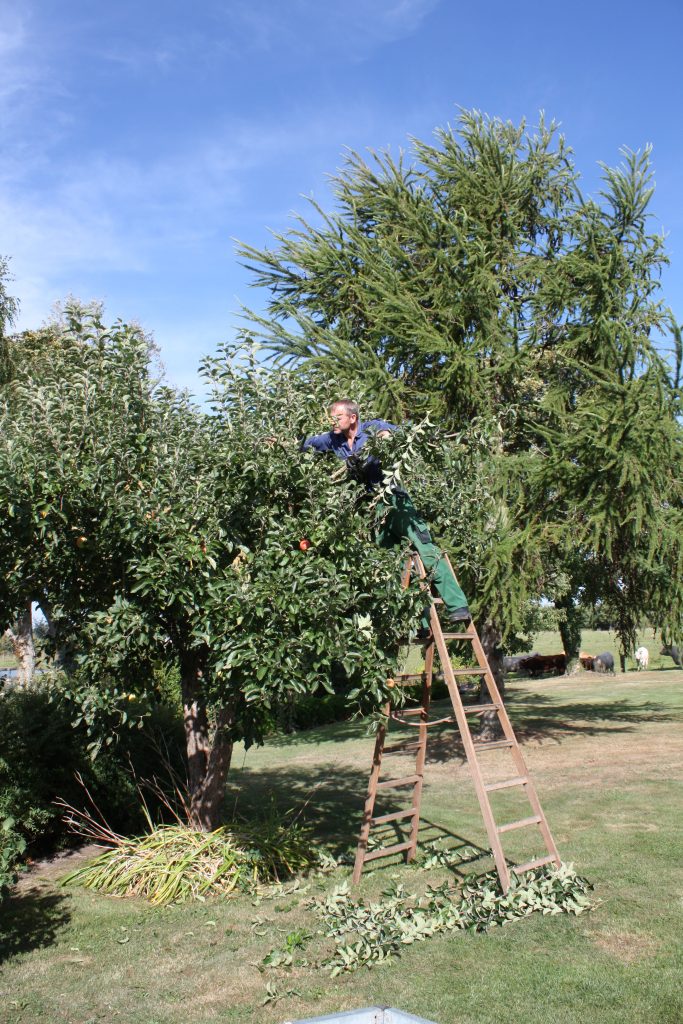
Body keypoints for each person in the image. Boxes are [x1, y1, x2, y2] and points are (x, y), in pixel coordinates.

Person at [302, 399, 471, 628]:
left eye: (338, 417)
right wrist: (284, 443)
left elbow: (401, 432)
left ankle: (457, 605)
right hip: (372, 510)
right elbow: (309, 444)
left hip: (395, 500)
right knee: (392, 565)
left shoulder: (371, 427)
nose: (333, 421)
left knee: (425, 549)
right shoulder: (332, 439)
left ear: (352, 418)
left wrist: (386, 436)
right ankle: (417, 625)